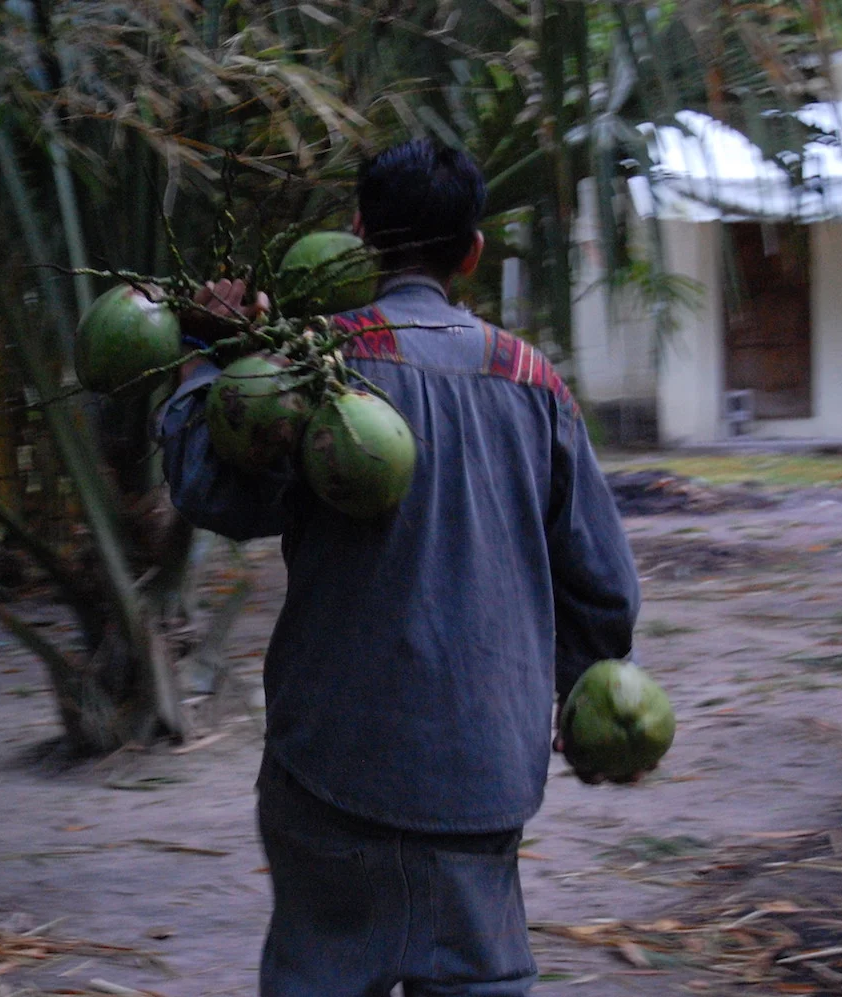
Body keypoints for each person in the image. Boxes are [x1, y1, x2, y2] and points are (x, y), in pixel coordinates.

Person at [156, 139, 642, 996]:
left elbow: (212, 491)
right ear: (472, 253)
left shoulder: (312, 366)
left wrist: (204, 354)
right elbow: (603, 586)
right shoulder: (535, 383)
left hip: (333, 762)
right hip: (484, 771)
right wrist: (584, 692)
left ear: (359, 235)